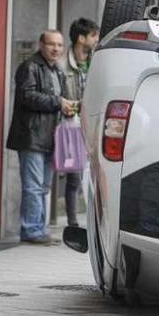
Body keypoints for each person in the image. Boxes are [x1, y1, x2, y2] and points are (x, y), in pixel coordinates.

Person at [6, 30, 76, 243]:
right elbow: (27, 96)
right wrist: (58, 102)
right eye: (51, 44)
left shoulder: (57, 71)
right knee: (34, 186)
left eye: (59, 45)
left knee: (44, 187)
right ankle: (31, 231)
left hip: (49, 137)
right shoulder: (30, 67)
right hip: (32, 136)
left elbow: (58, 100)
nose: (56, 49)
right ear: (41, 44)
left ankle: (39, 228)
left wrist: (67, 106)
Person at [60, 18, 99, 228]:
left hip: (93, 125)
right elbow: (57, 94)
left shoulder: (98, 62)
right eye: (93, 35)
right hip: (70, 124)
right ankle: (73, 222)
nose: (96, 39)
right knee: (74, 175)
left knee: (94, 176)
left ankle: (92, 222)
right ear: (81, 38)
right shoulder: (62, 63)